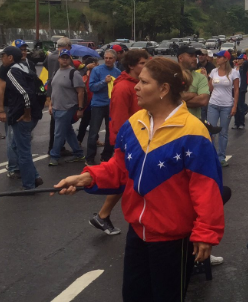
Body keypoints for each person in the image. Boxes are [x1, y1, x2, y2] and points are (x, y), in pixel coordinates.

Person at [54, 58, 225, 301]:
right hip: (137, 233)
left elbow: (207, 189)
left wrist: (206, 233)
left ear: (164, 89)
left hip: (173, 240)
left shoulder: (193, 132)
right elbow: (119, 168)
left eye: (144, 82)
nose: (136, 86)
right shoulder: (134, 124)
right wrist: (85, 178)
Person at [89, 49, 149, 237]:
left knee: (126, 181)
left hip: (139, 140)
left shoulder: (136, 83)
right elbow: (120, 119)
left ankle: (103, 215)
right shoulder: (124, 87)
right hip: (130, 143)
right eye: (142, 63)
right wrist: (123, 144)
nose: (145, 66)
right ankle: (105, 215)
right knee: (126, 180)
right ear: (131, 66)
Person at [0, 46, 43, 190]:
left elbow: (25, 93)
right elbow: (41, 89)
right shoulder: (26, 68)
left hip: (22, 116)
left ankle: (29, 185)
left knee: (23, 151)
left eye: (3, 55)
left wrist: (27, 112)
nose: (1, 58)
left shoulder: (12, 71)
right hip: (33, 114)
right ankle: (35, 176)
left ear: (10, 57)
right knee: (17, 146)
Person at [47, 49, 86, 166]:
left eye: (67, 57)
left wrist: (80, 109)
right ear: (59, 59)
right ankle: (79, 154)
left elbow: (81, 92)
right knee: (68, 131)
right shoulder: (56, 72)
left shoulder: (74, 73)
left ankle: (54, 156)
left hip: (68, 108)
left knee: (58, 133)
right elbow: (54, 90)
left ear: (70, 59)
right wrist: (50, 104)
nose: (64, 59)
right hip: (56, 108)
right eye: (62, 57)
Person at [86, 50, 121, 165]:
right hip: (98, 105)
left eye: (110, 58)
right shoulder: (96, 70)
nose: (108, 60)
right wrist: (104, 82)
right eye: (106, 58)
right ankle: (90, 157)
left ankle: (106, 156)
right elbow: (91, 87)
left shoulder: (118, 72)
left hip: (112, 105)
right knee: (93, 132)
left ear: (115, 59)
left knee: (110, 132)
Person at [207, 50, 239, 168]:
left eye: (219, 57)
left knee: (223, 132)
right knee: (211, 131)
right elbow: (210, 89)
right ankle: (210, 156)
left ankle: (221, 157)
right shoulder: (214, 72)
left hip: (227, 105)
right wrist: (208, 77)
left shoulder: (234, 73)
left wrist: (235, 106)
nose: (217, 59)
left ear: (226, 59)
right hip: (213, 104)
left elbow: (236, 90)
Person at [46, 37, 72, 156]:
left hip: (52, 88)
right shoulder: (62, 57)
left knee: (56, 122)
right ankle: (56, 148)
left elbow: (47, 67)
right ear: (66, 46)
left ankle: (55, 146)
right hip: (61, 91)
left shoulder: (50, 56)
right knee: (60, 122)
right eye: (70, 47)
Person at [177, 46, 210, 120]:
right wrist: (193, 94)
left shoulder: (201, 78)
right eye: (191, 56)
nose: (195, 59)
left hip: (194, 124)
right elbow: (165, 99)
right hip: (173, 123)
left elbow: (203, 101)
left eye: (195, 56)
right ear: (181, 58)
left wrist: (176, 100)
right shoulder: (170, 75)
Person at [76, 57, 98, 145]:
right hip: (88, 101)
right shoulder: (86, 73)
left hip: (94, 100)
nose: (97, 65)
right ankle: (79, 140)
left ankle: (95, 139)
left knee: (95, 122)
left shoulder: (95, 73)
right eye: (96, 64)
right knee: (85, 121)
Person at [233, 52, 248, 129]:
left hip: (241, 89)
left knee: (240, 106)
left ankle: (241, 123)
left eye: (240, 59)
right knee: (235, 106)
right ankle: (236, 123)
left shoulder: (243, 69)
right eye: (238, 59)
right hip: (234, 89)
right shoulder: (234, 68)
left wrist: (244, 60)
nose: (238, 60)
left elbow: (247, 62)